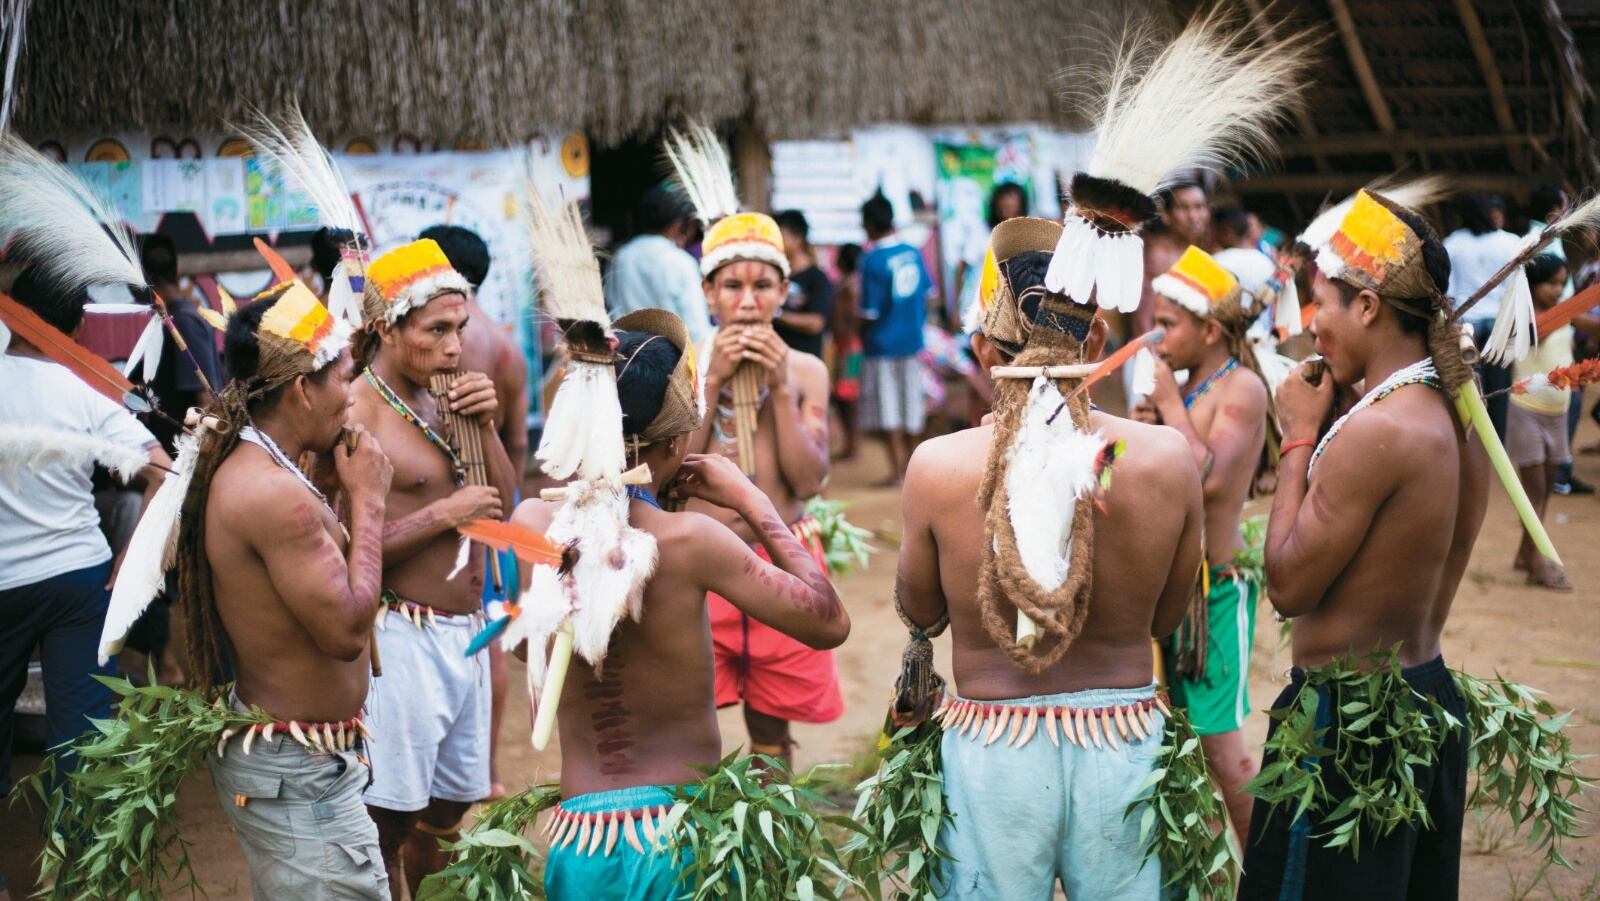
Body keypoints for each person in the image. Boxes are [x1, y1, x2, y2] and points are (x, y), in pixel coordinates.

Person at [897, 218, 1204, 898]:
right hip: (1123, 745)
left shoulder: (937, 468)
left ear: (982, 349)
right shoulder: (1165, 460)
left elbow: (922, 612)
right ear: (1097, 340)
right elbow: (1167, 619)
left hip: (993, 748)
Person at [508, 311, 850, 899]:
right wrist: (752, 500)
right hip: (679, 837)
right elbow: (828, 621)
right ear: (674, 441)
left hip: (578, 837)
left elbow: (527, 650)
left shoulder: (532, 524)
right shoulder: (691, 541)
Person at [1241, 190, 1490, 898]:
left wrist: (1295, 434)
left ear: (1371, 307)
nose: (1312, 326)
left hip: (1347, 729)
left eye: (1320, 303)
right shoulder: (1453, 411)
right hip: (1424, 700)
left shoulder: (1378, 430)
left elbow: (1289, 586)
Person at [174, 280, 393, 898]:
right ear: (301, 388)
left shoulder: (271, 466)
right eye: (344, 379)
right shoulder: (272, 494)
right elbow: (347, 631)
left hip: (302, 767)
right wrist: (369, 502)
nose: (353, 396)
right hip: (297, 773)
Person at [663, 124, 840, 766]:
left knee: (771, 734)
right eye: (730, 287)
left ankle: (776, 851)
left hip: (777, 560)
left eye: (761, 286)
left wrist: (781, 391)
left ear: (784, 293)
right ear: (707, 294)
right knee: (690, 729)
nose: (746, 301)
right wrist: (708, 382)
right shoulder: (685, 368)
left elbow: (808, 477)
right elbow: (668, 471)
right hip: (697, 569)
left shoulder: (806, 370)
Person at [349, 238, 519, 898]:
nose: (455, 347)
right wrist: (443, 515)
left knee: (450, 807)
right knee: (388, 817)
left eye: (461, 329)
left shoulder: (438, 400)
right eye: (437, 330)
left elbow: (500, 502)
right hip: (398, 639)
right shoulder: (356, 413)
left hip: (465, 633)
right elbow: (342, 549)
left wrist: (487, 428)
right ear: (387, 329)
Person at [0, 266, 169, 808]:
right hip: (80, 579)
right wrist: (134, 554)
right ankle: (77, 881)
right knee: (84, 740)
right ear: (75, 329)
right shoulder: (87, 389)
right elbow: (166, 473)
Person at [1134, 245, 1272, 839]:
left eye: (1167, 324)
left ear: (1210, 328)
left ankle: (1263, 883)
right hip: (1175, 596)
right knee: (1182, 745)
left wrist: (1166, 405)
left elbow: (1210, 480)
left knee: (1224, 752)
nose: (1154, 337)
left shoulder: (1241, 387)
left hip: (1216, 591)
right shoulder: (1195, 386)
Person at [420, 224, 532, 799]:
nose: (450, 344)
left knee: (471, 631)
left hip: (456, 509)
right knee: (490, 635)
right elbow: (516, 447)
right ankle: (485, 771)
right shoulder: (506, 347)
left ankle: (465, 772)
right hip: (494, 506)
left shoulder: (427, 341)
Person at [128, 233, 223, 686]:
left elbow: (206, 399)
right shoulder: (161, 320)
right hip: (166, 462)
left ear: (139, 280)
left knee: (171, 565)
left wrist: (199, 468)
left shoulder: (181, 320)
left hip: (180, 466)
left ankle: (175, 664)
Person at [1507, 254, 1577, 591]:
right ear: (1533, 286)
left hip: (1558, 414)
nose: (1559, 290)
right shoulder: (1524, 317)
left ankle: (1524, 551)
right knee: (1534, 492)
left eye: (1563, 284)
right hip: (1526, 411)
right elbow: (1543, 334)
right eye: (1552, 283)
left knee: (1545, 490)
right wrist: (1584, 303)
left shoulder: (1564, 313)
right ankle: (1537, 563)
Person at [857, 190, 932, 486]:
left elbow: (869, 311)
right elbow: (927, 293)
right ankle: (917, 472)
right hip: (912, 340)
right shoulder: (912, 252)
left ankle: (899, 472)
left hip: (882, 344)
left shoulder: (872, 260)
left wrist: (856, 328)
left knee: (889, 410)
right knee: (912, 405)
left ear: (869, 225)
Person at [1525, 185, 1593, 496]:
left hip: (1545, 334)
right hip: (1548, 336)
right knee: (1566, 401)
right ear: (1555, 212)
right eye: (1566, 207)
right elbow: (1560, 307)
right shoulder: (1547, 247)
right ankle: (1557, 473)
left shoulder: (1535, 240)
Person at [1444, 193, 1523, 440]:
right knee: (1499, 388)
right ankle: (1497, 441)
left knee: (1472, 389)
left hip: (1468, 326)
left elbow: (1449, 290)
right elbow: (1516, 286)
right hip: (1500, 323)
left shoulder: (1453, 243)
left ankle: (1476, 440)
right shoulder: (1510, 242)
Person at [606, 184, 713, 344]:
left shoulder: (621, 256)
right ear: (676, 224)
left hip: (627, 356)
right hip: (672, 360)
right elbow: (697, 329)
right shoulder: (681, 261)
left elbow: (611, 304)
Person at [1134, 181, 1210, 335]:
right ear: (1166, 215)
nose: (1193, 216)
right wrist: (1152, 357)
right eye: (1183, 208)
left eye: (1199, 207)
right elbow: (1142, 318)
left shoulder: (1201, 252)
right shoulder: (1158, 255)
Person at [772, 209, 834, 360]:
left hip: (805, 364)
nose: (774, 242)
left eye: (780, 236)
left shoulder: (817, 279)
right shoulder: (775, 275)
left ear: (798, 238)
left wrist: (776, 314)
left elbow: (816, 323)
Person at [830, 243, 864, 460]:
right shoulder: (853, 284)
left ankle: (852, 445)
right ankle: (851, 444)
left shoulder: (849, 287)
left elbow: (850, 318)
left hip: (849, 347)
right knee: (845, 396)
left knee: (847, 397)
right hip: (846, 345)